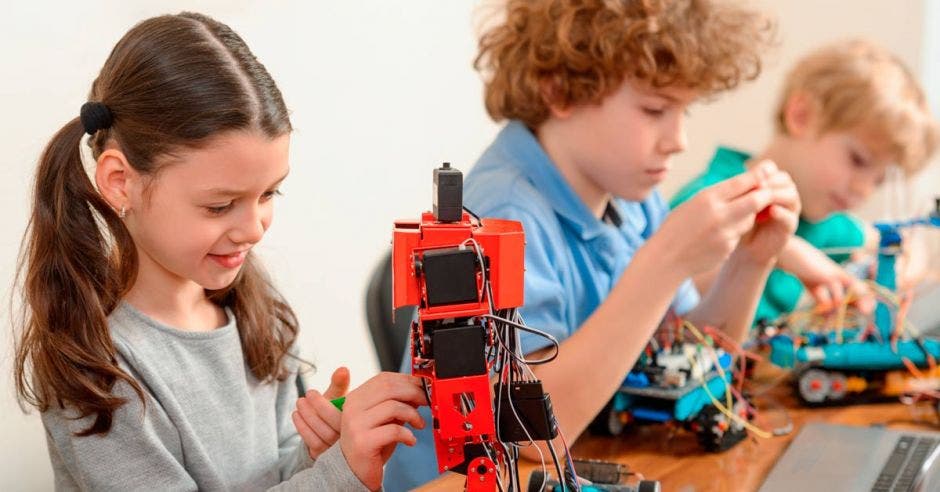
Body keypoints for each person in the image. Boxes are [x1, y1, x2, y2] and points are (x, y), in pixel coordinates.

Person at [382, 0, 797, 489]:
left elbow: (687, 359)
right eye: (655, 110)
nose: (679, 139)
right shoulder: (501, 216)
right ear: (561, 90)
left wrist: (751, 262)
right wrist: (665, 262)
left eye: (684, 110)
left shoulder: (629, 196)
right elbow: (529, 439)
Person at [13, 12, 423, 491]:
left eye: (269, 194)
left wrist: (317, 452)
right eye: (219, 205)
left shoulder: (252, 308)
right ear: (120, 182)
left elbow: (267, 479)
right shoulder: (95, 369)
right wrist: (339, 475)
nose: (253, 229)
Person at [672, 39, 939, 323]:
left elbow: (904, 242)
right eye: (857, 160)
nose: (864, 190)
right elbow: (677, 285)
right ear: (801, 116)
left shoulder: (821, 221)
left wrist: (901, 264)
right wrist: (778, 248)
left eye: (879, 181)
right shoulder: (712, 198)